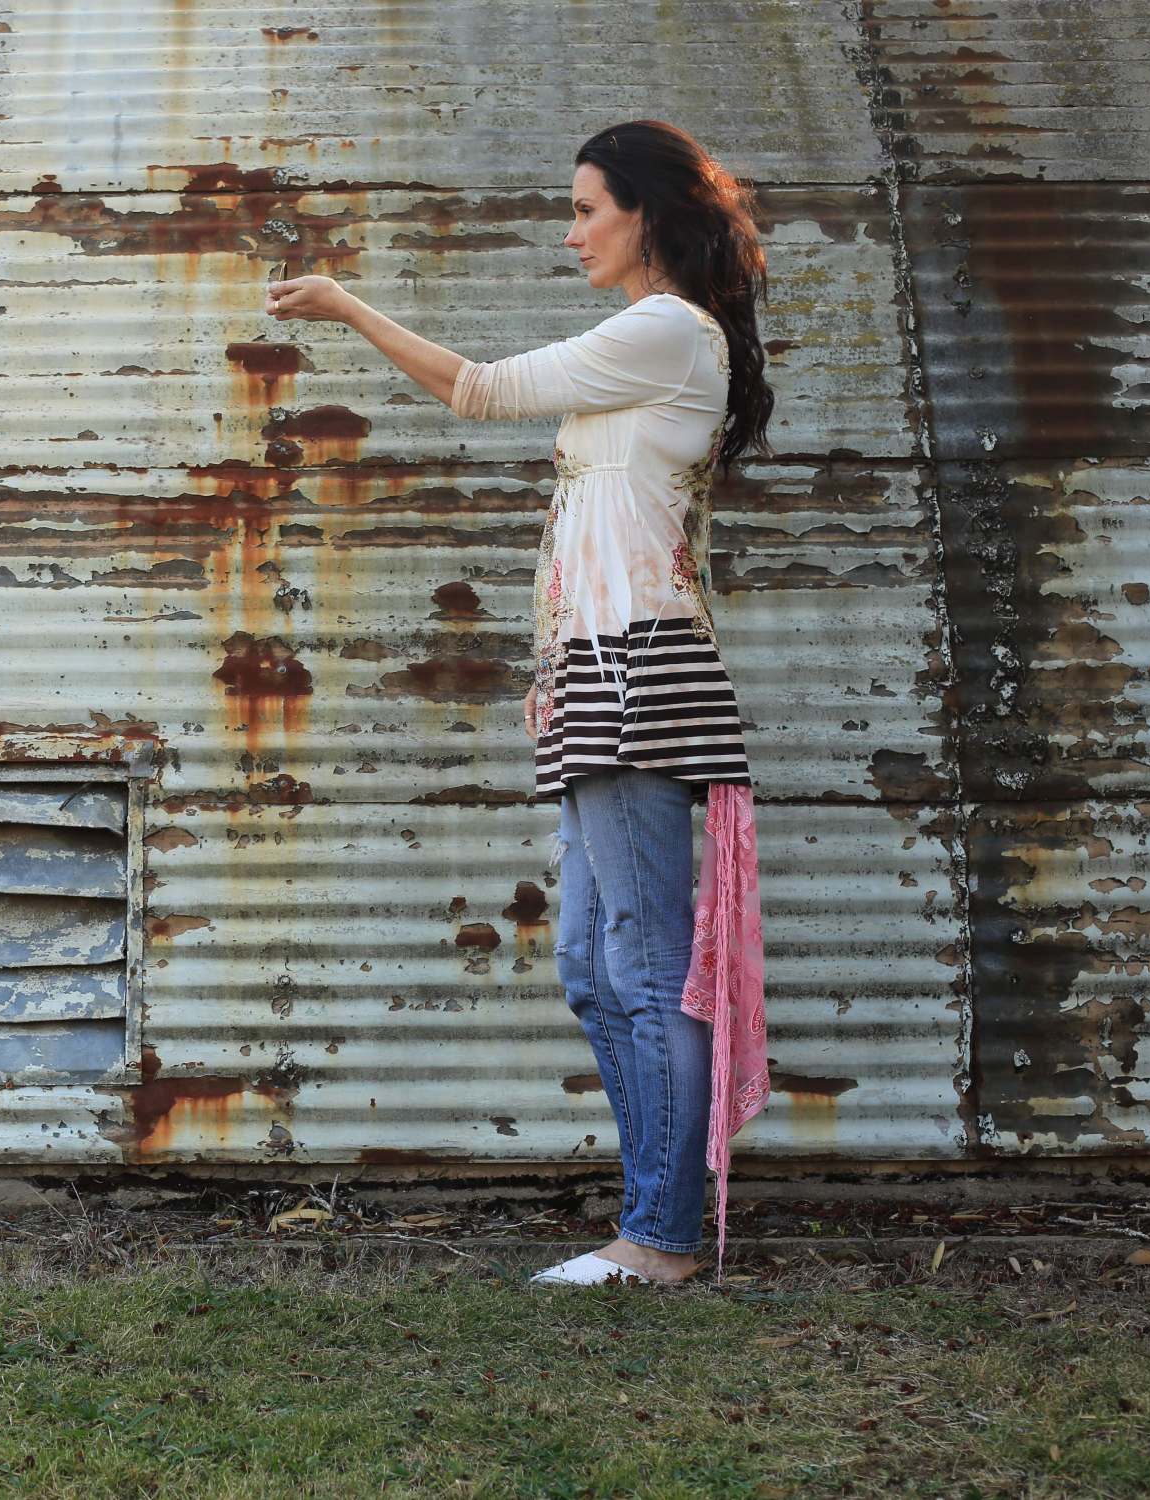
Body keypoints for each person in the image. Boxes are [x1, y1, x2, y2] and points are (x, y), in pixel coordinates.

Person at [266, 121, 775, 1287]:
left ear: (645, 213)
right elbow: (586, 536)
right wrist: (551, 674)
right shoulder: (653, 340)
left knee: (642, 967)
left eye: (587, 209)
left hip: (637, 672)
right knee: (591, 967)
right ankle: (649, 1221)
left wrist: (345, 306)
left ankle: (658, 1239)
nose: (571, 233)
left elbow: (478, 389)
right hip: (599, 671)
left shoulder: (664, 330)